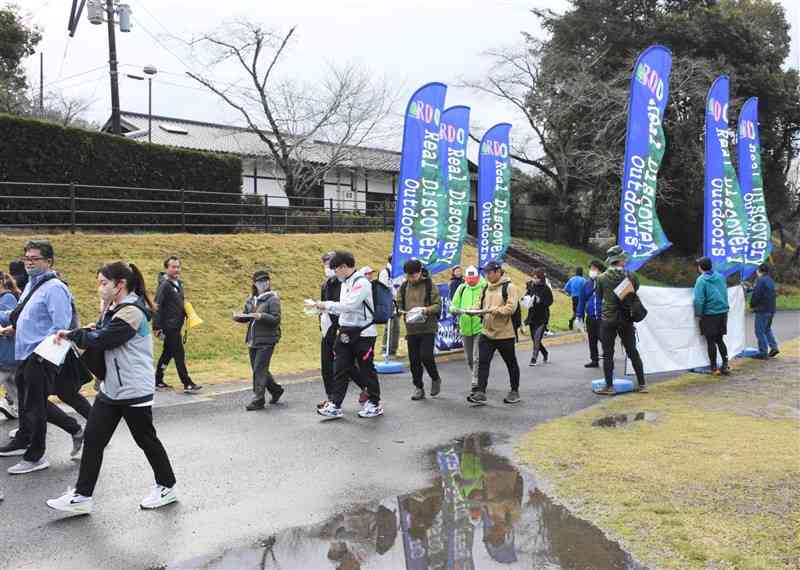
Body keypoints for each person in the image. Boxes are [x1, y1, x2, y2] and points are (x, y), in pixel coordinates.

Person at [45, 261, 177, 514]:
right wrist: (93, 321)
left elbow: (106, 339)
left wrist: (73, 335)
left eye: (104, 283)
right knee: (93, 439)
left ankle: (167, 486)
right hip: (111, 388)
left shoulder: (133, 310)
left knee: (145, 439)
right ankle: (82, 496)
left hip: (133, 389)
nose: (99, 288)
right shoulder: (115, 307)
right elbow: (101, 332)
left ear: (120, 285)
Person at [0, 240, 90, 473]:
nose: (28, 262)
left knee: (36, 407)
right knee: (28, 403)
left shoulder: (55, 288)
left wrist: (42, 355)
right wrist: (13, 327)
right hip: (25, 353)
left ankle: (35, 456)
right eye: (26, 257)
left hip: (40, 355)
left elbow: (59, 326)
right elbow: (28, 316)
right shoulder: (32, 285)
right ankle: (29, 440)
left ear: (48, 261)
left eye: (34, 258)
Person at [315, 251, 383, 419]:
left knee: (366, 369)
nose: (334, 273)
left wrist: (326, 305)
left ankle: (374, 402)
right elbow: (343, 309)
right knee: (340, 367)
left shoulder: (361, 282)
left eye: (335, 269)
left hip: (364, 332)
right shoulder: (345, 282)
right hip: (345, 331)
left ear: (344, 267)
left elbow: (349, 305)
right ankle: (335, 404)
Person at [596, 246, 647, 395]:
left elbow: (599, 296)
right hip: (626, 318)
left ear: (611, 261)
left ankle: (609, 386)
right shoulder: (631, 276)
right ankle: (642, 384)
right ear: (621, 260)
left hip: (608, 318)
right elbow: (634, 292)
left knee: (608, 353)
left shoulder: (601, 278)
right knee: (632, 351)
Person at [318, 253, 366, 409]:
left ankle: (368, 389)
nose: (328, 268)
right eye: (325, 265)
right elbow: (325, 305)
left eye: (331, 265)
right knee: (326, 365)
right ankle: (331, 398)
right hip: (327, 329)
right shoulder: (326, 285)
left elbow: (345, 306)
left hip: (343, 329)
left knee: (345, 365)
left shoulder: (346, 284)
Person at [470, 261, 521, 405]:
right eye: (485, 272)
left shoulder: (509, 287)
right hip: (486, 332)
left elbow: (511, 308)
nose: (487, 275)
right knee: (483, 362)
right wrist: (472, 310)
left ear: (498, 272)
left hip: (505, 334)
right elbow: (479, 304)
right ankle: (480, 392)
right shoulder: (485, 287)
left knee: (511, 363)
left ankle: (514, 391)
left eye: (489, 272)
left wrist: (495, 310)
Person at [234, 271, 284, 411]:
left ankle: (258, 399)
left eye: (265, 281)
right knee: (259, 369)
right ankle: (276, 390)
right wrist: (238, 316)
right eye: (260, 281)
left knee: (259, 369)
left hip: (267, 339)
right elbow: (247, 315)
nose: (263, 284)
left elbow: (276, 319)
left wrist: (261, 316)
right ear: (254, 284)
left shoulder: (272, 299)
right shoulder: (251, 298)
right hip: (253, 338)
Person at [153, 256, 201, 393]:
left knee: (167, 354)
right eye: (173, 267)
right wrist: (156, 327)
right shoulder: (164, 285)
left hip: (177, 324)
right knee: (179, 354)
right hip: (169, 327)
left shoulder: (178, 284)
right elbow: (157, 306)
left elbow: (176, 303)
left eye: (178, 266)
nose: (176, 269)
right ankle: (187, 383)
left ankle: (158, 380)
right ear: (166, 268)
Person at [397, 259, 442, 400]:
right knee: (414, 360)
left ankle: (435, 378)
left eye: (413, 275)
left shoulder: (429, 285)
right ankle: (418, 387)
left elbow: (437, 305)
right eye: (408, 275)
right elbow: (399, 304)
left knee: (426, 356)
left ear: (420, 272)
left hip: (428, 327)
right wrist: (399, 311)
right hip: (411, 328)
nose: (411, 278)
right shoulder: (404, 287)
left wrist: (425, 310)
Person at [449, 266, 485, 390]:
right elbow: (453, 305)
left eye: (473, 279)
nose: (470, 282)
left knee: (477, 357)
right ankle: (477, 375)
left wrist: (478, 311)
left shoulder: (484, 287)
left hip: (480, 326)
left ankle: (475, 379)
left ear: (477, 277)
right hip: (464, 327)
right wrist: (456, 310)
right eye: (468, 279)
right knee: (469, 358)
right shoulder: (461, 288)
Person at [693, 257, 731, 375]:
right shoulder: (720, 277)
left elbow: (699, 300)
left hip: (710, 313)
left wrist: (698, 313)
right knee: (720, 339)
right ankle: (725, 364)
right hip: (722, 311)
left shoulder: (701, 280)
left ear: (700, 267)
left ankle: (714, 368)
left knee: (711, 341)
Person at [576, 260, 605, 368]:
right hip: (591, 316)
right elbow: (581, 300)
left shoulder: (605, 282)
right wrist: (579, 315)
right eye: (591, 269)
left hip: (603, 317)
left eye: (594, 269)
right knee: (592, 339)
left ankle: (608, 357)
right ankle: (594, 360)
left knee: (603, 338)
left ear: (600, 271)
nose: (592, 271)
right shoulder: (586, 284)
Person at [0, 272, 20, 420]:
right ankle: (28, 425)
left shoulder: (7, 297)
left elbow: (12, 319)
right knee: (15, 390)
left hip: (7, 352)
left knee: (15, 389)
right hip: (6, 354)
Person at [522, 269, 552, 367]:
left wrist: (540, 300)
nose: (534, 280)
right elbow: (527, 296)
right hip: (532, 317)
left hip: (542, 317)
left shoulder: (546, 289)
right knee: (534, 339)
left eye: (536, 278)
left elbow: (550, 302)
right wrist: (525, 299)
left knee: (537, 338)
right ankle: (544, 352)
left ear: (540, 279)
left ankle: (533, 358)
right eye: (533, 277)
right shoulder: (531, 287)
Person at [749, 263, 780, 359]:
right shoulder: (769, 280)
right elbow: (763, 291)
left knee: (759, 331)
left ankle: (763, 352)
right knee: (767, 329)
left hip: (762, 309)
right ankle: (774, 347)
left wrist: (752, 304)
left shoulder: (760, 280)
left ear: (759, 270)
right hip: (771, 309)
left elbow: (757, 295)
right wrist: (750, 289)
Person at [378, 255, 400, 357]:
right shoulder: (385, 272)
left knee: (396, 326)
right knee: (390, 326)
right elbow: (383, 288)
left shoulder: (398, 272)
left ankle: (393, 349)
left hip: (397, 302)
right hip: (388, 301)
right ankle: (385, 349)